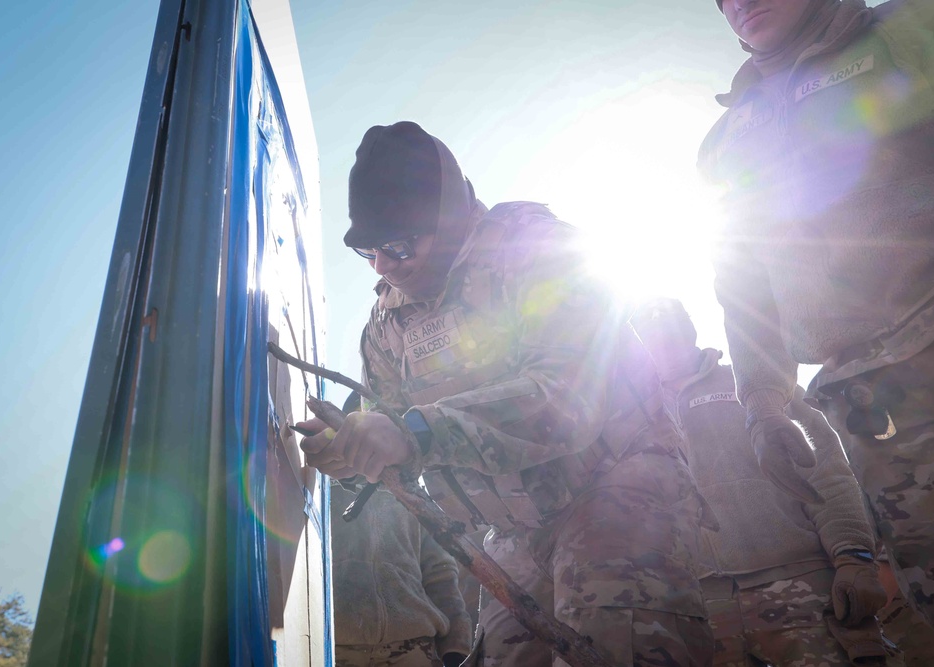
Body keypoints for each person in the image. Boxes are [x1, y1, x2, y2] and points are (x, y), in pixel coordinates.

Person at [297, 121, 713, 666]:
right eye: (369, 252)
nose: (384, 266)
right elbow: (386, 427)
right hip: (515, 526)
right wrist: (349, 450)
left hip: (616, 484)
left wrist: (412, 433)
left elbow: (568, 397)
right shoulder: (386, 321)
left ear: (445, 221)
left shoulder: (538, 250)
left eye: (397, 245)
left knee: (620, 644)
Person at [698, 0, 934, 661]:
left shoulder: (921, 30)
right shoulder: (727, 139)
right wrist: (763, 402)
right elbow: (745, 286)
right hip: (875, 416)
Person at [633, 298, 889, 666]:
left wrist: (854, 556)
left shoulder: (757, 387)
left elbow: (826, 470)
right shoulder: (632, 418)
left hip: (801, 587)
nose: (663, 342)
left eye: (670, 330)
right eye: (650, 336)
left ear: (689, 330)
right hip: (699, 607)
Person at [330, 391, 472, 667]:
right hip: (338, 651)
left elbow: (441, 576)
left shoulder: (416, 501)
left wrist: (456, 649)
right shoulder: (322, 494)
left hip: (414, 651)